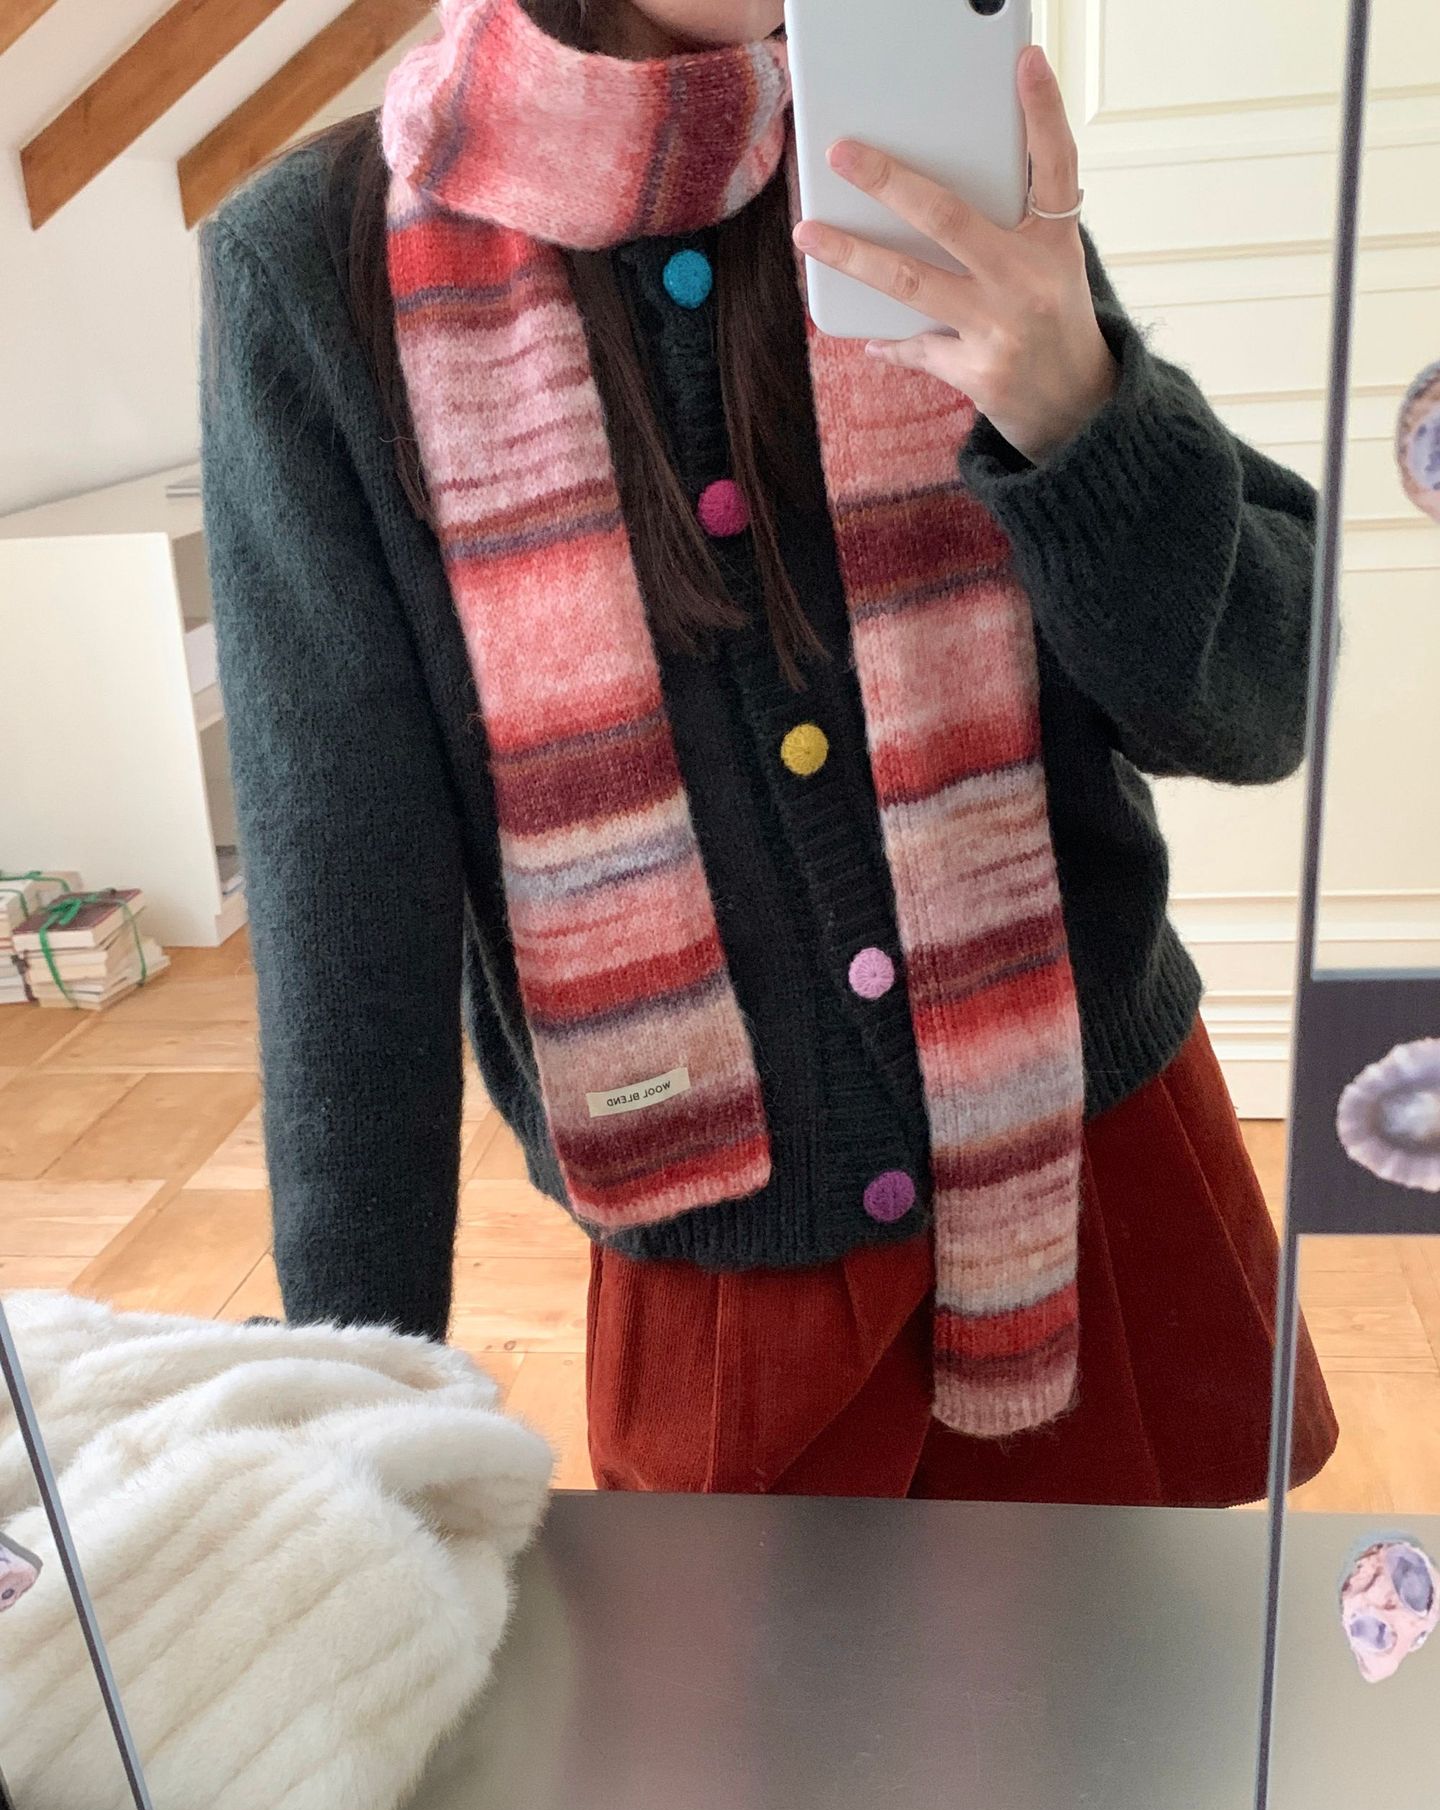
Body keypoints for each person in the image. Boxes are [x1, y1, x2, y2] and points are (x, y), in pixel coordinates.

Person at [201, 0, 1337, 1502]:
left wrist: (1082, 410)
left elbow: (1263, 697)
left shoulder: (928, 155)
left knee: (1159, 1665)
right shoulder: (311, 266)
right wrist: (353, 1417)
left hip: (1099, 1198)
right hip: (730, 1296)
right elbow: (345, 901)